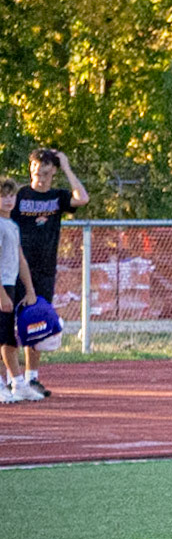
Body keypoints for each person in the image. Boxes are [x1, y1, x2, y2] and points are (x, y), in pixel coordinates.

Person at [11, 148, 89, 397]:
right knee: (7, 324)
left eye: (45, 173)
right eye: (35, 172)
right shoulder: (20, 195)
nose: (39, 178)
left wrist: (66, 166)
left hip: (44, 270)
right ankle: (11, 380)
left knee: (36, 321)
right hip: (15, 267)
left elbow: (82, 198)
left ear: (52, 172)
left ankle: (31, 378)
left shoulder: (57, 197)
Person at [0, 177, 41, 403]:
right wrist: (1, 293)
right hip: (2, 286)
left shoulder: (12, 225)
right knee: (4, 339)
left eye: (11, 195)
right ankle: (11, 383)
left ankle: (17, 383)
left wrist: (30, 289)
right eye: (3, 196)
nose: (8, 200)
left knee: (8, 338)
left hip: (12, 283)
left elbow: (20, 260)